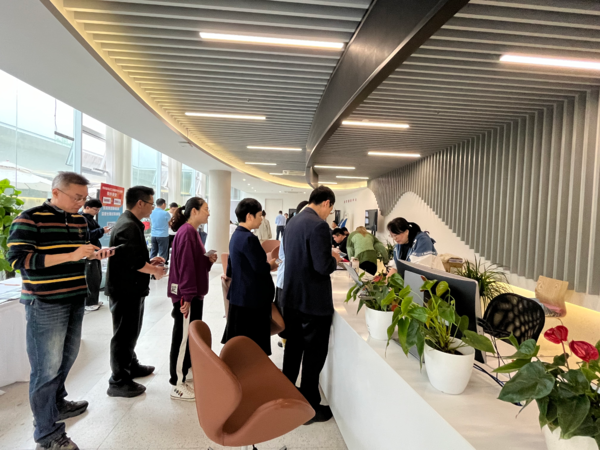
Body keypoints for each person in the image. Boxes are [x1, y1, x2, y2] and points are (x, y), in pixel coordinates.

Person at [7, 172, 114, 450]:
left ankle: (56, 403)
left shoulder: (79, 221)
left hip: (75, 297)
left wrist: (93, 255)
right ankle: (46, 434)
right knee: (46, 368)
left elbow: (77, 254)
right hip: (45, 302)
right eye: (77, 197)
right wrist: (71, 255)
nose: (82, 203)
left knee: (67, 358)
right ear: (56, 192)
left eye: (84, 198)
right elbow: (18, 260)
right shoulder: (29, 219)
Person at [281, 186, 342, 424]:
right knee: (314, 355)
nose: (328, 214)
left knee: (293, 350)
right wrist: (334, 259)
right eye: (330, 209)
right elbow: (322, 266)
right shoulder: (319, 225)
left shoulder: (293, 222)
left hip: (292, 298)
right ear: (326, 203)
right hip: (313, 302)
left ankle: (287, 397)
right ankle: (309, 407)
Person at [106, 186, 167, 398]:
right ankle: (118, 380)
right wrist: (154, 271)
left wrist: (150, 263)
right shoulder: (128, 226)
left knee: (131, 331)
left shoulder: (131, 223)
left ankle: (130, 365)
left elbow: (132, 256)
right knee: (123, 335)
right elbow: (132, 262)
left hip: (132, 287)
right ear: (140, 203)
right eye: (150, 204)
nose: (152, 208)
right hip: (125, 289)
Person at [167, 197, 218, 401]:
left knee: (189, 336)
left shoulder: (192, 232)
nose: (208, 213)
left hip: (193, 293)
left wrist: (208, 261)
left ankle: (185, 372)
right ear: (194, 211)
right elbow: (185, 267)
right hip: (186, 295)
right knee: (182, 337)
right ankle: (177, 383)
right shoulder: (187, 232)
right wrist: (186, 296)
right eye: (206, 209)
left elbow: (194, 264)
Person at [222, 198, 278, 355]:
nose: (261, 219)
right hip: (252, 300)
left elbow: (230, 268)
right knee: (253, 344)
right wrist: (271, 265)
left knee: (239, 342)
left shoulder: (236, 236)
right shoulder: (249, 238)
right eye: (259, 215)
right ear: (249, 216)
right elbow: (260, 268)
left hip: (239, 296)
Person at [81, 199, 111, 311]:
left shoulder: (91, 219)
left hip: (96, 252)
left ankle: (94, 300)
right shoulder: (82, 219)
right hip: (88, 253)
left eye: (98, 210)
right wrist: (101, 231)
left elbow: (96, 232)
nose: (97, 212)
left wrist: (102, 231)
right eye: (95, 209)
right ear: (87, 207)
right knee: (91, 278)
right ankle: (89, 303)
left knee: (96, 277)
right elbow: (87, 235)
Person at [149, 198, 170, 263]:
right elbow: (169, 224)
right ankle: (161, 267)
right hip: (163, 235)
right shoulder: (165, 213)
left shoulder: (151, 212)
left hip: (153, 235)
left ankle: (151, 266)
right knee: (162, 254)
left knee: (153, 252)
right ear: (163, 204)